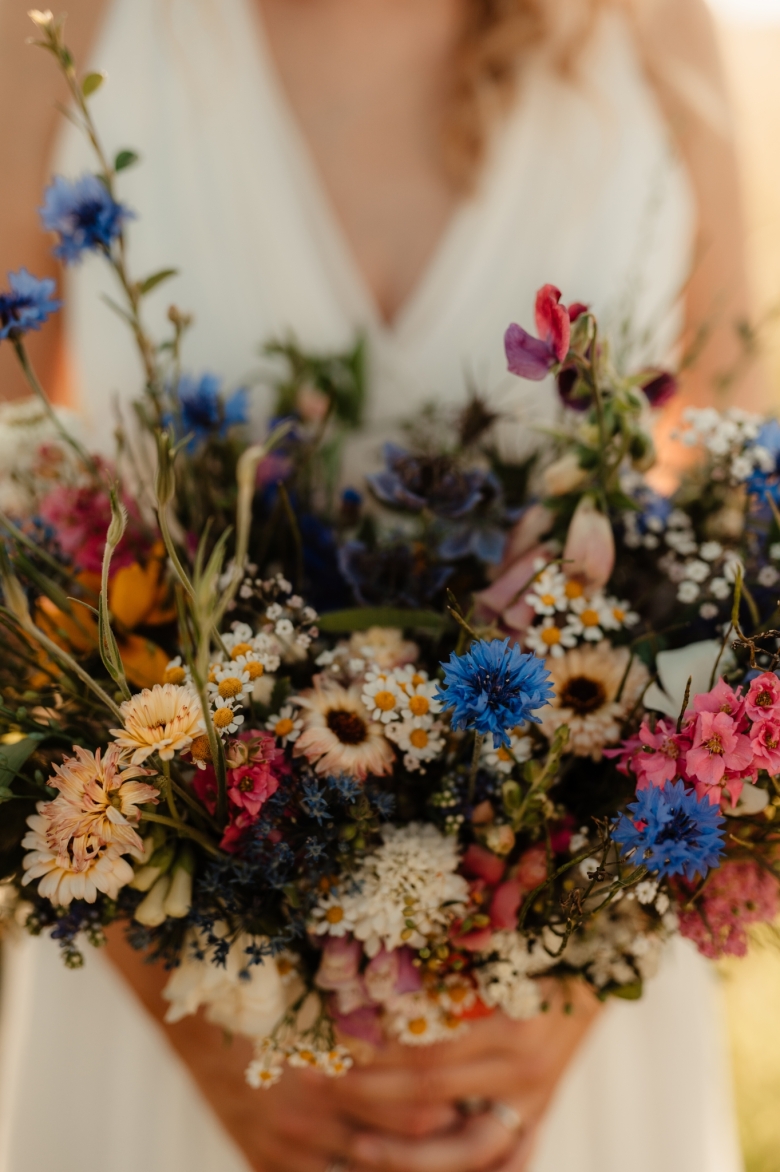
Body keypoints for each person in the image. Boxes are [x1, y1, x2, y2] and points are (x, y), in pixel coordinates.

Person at [0, 2, 757, 1170]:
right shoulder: (64, 28)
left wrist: (575, 962)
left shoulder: (653, 27)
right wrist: (188, 1006)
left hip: (552, 1041)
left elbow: (734, 509)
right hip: (165, 1000)